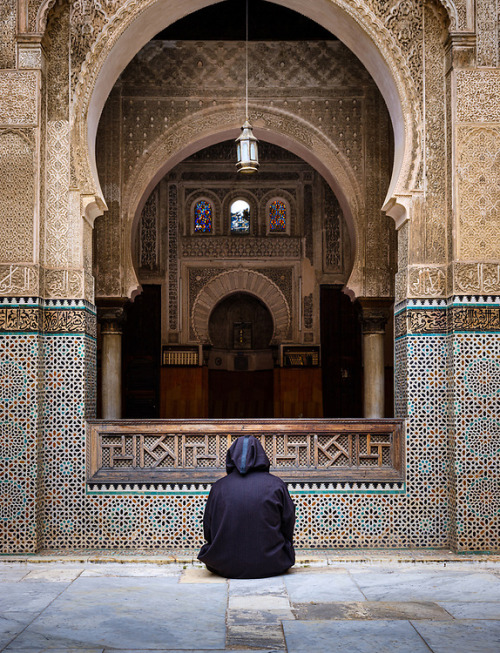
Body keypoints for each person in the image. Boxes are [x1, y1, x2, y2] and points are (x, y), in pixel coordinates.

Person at [198, 434, 295, 579]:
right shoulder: (277, 485)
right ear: (261, 455)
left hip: (223, 564)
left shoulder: (219, 487)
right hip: (272, 563)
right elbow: (288, 523)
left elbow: (208, 528)